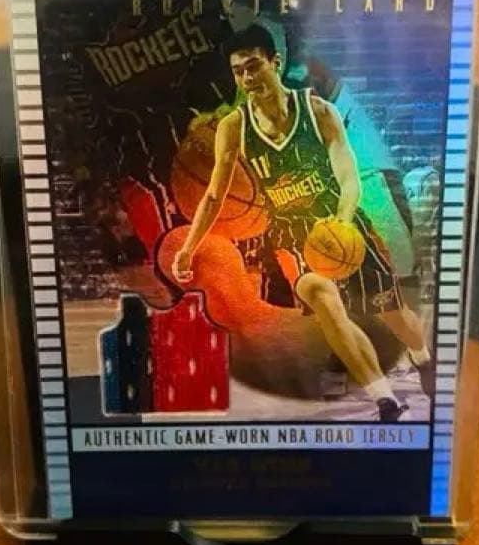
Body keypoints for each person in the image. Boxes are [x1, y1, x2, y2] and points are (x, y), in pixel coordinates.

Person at [171, 24, 433, 421]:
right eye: (239, 72)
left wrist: (342, 223)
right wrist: (189, 248)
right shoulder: (234, 127)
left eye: (254, 66)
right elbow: (213, 196)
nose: (247, 78)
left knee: (393, 314)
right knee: (326, 304)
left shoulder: (318, 111)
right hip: (293, 238)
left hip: (341, 224)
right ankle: (386, 399)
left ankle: (421, 356)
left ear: (275, 63)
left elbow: (347, 177)